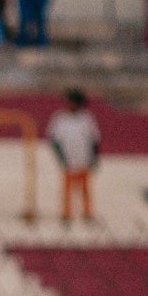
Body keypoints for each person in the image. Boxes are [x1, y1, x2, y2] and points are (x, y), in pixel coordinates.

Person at [47, 90, 100, 225]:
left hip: (84, 159)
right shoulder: (59, 118)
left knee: (85, 189)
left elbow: (94, 139)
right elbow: (54, 140)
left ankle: (87, 213)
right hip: (68, 160)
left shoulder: (87, 118)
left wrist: (94, 158)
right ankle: (66, 214)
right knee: (67, 190)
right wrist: (61, 158)